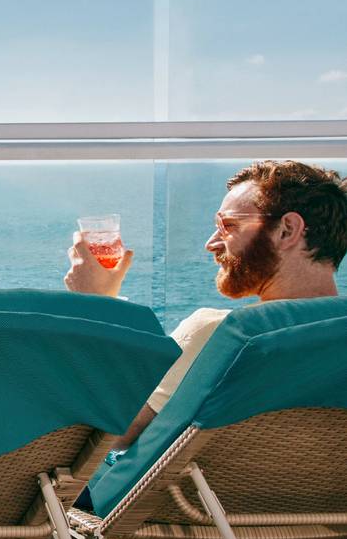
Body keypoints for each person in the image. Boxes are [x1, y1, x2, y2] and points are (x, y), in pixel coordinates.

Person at [65, 159, 345, 451]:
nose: (211, 243)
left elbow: (112, 434)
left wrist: (93, 304)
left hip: (207, 483)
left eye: (228, 226)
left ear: (287, 230)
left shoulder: (225, 334)